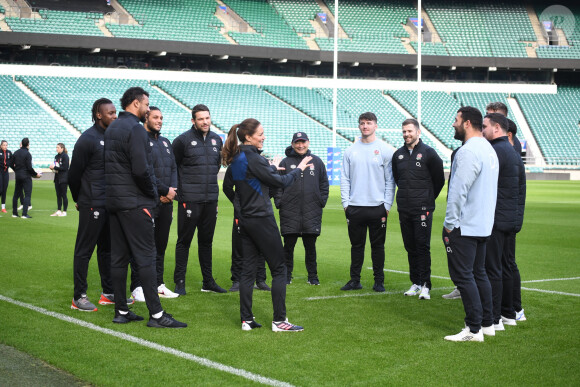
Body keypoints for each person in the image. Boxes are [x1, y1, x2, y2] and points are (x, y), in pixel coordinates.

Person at [104, 86, 186, 328]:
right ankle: (157, 315)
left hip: (115, 202)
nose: (148, 108)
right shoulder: (136, 130)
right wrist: (154, 194)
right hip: (135, 203)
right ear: (136, 104)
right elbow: (141, 170)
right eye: (146, 104)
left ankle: (121, 309)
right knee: (147, 257)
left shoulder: (113, 128)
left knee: (119, 258)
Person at [222, 118, 310, 332]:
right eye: (261, 134)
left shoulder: (238, 158)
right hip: (261, 219)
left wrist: (242, 205)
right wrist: (298, 169)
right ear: (248, 136)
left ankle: (247, 320)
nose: (264, 137)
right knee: (279, 268)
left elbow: (228, 188)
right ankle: (280, 321)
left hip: (245, 221)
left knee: (247, 271)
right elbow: (280, 183)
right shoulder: (254, 159)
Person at [443, 106, 498, 342]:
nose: (453, 124)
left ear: (467, 123)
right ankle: (487, 324)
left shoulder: (468, 151)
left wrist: (449, 224)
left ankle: (473, 329)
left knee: (464, 277)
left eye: (456, 120)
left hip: (464, 226)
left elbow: (458, 191)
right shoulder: (489, 149)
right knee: (479, 273)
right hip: (483, 224)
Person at [68, 98, 118, 311]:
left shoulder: (113, 138)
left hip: (109, 203)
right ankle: (78, 297)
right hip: (92, 203)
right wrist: (80, 198)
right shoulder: (87, 139)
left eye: (115, 112)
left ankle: (108, 293)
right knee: (84, 250)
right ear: (99, 115)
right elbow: (73, 175)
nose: (114, 116)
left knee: (107, 249)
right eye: (110, 113)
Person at [172, 104, 225, 295]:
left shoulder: (216, 140)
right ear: (193, 121)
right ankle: (179, 281)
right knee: (184, 241)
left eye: (207, 118)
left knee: (206, 242)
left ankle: (208, 282)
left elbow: (215, 166)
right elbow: (173, 167)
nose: (205, 122)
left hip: (210, 199)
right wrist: (180, 193)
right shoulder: (182, 141)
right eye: (201, 119)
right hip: (189, 200)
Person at [340, 112, 395, 292]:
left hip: (377, 208)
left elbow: (390, 181)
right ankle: (355, 280)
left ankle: (379, 281)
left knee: (377, 246)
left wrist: (387, 205)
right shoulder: (350, 150)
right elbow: (345, 179)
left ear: (375, 126)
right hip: (355, 207)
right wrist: (346, 204)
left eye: (369, 123)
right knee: (356, 246)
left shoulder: (385, 150)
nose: (365, 126)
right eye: (362, 123)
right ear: (359, 126)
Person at [130, 107, 180, 301]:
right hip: (149, 201)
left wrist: (172, 191)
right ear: (146, 118)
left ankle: (158, 284)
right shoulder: (141, 140)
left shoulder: (166, 142)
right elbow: (142, 172)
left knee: (160, 246)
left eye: (161, 117)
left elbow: (173, 168)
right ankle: (138, 286)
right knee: (143, 247)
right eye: (155, 117)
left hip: (166, 202)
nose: (159, 121)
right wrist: (160, 192)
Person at [482, 113, 526, 330]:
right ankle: (509, 313)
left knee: (493, 268)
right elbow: (521, 188)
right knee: (506, 266)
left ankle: (495, 317)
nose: (482, 131)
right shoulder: (513, 152)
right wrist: (517, 218)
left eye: (485, 126)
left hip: (496, 219)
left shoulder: (494, 152)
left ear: (496, 128)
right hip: (510, 218)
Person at [392, 119, 444, 300]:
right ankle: (415, 282)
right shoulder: (397, 155)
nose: (407, 134)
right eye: (404, 131)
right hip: (404, 208)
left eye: (410, 131)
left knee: (422, 246)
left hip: (423, 209)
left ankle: (425, 285)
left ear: (418, 132)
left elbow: (439, 180)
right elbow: (398, 179)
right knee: (410, 247)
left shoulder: (429, 153)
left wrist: (427, 199)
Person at [274, 132, 329, 285]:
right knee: (288, 248)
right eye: (297, 143)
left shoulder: (317, 162)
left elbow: (324, 184)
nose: (300, 145)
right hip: (289, 211)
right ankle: (286, 276)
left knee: (310, 248)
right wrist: (280, 201)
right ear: (292, 144)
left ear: (308, 143)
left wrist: (321, 201)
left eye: (303, 142)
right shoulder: (285, 162)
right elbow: (277, 184)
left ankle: (313, 277)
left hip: (312, 211)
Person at [223, 165, 270, 292]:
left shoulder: (262, 163)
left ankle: (260, 280)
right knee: (238, 246)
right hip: (241, 213)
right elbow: (226, 187)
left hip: (260, 213)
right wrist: (238, 202)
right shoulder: (235, 166)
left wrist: (262, 201)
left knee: (261, 247)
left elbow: (271, 185)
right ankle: (237, 280)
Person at [10, 138, 41, 219]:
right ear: (28, 144)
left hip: (18, 176)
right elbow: (29, 168)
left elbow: (10, 163)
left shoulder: (16, 152)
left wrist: (16, 170)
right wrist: (35, 175)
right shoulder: (28, 154)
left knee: (16, 195)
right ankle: (24, 214)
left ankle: (14, 213)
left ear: (21, 144)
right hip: (26, 176)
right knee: (27, 194)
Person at [49, 143, 69, 217]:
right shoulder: (56, 156)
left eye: (58, 147)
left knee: (64, 195)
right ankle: (58, 210)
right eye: (56, 147)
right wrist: (52, 168)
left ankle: (64, 211)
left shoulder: (65, 156)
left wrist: (55, 167)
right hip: (57, 178)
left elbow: (65, 168)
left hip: (64, 178)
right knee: (58, 195)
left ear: (62, 148)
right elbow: (56, 167)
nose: (56, 149)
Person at [0, 140, 12, 213]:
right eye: (4, 145)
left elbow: (12, 161)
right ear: (1, 145)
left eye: (6, 145)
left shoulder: (9, 152)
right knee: (0, 189)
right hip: (0, 172)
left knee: (4, 189)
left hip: (6, 173)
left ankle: (3, 208)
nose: (5, 146)